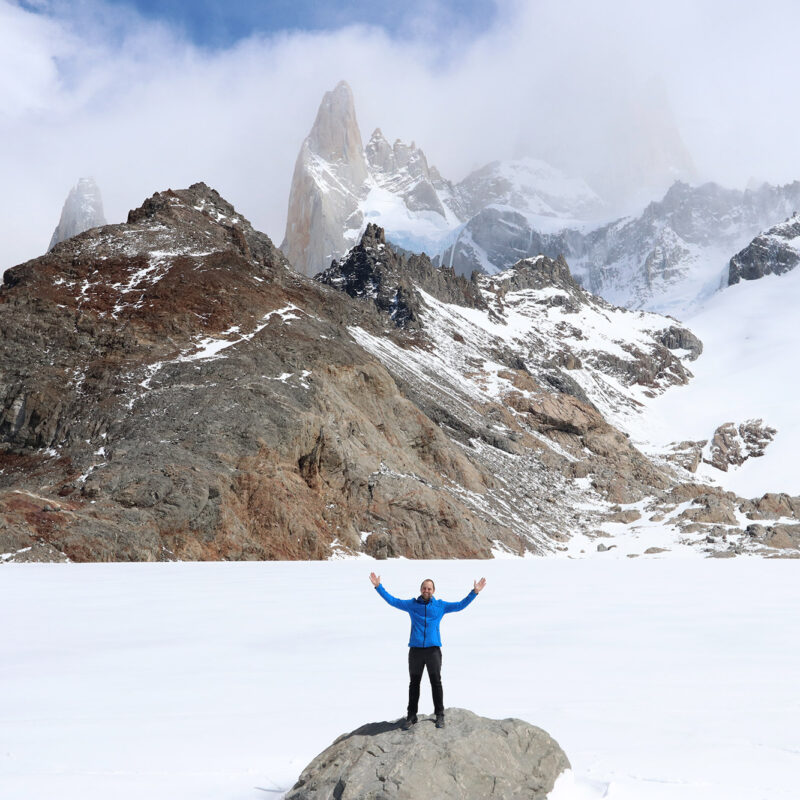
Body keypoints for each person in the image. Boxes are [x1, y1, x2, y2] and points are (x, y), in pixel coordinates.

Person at [369, 572, 486, 729]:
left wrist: (474, 592)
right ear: (420, 590)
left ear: (433, 591)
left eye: (429, 588)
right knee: (414, 684)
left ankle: (439, 715)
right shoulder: (412, 605)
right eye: (424, 588)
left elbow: (460, 605)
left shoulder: (440, 606)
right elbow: (393, 601)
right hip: (416, 651)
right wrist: (378, 587)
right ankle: (411, 716)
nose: (426, 590)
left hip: (433, 651)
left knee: (436, 683)